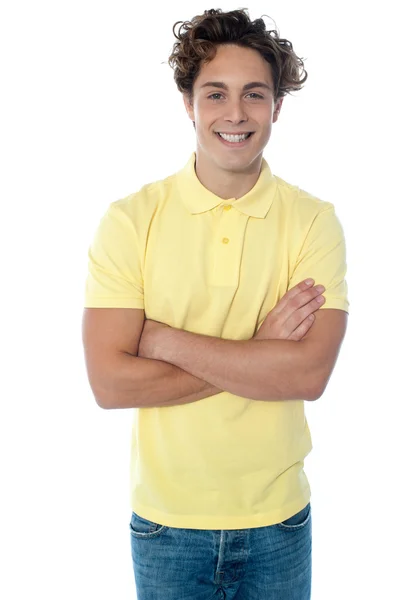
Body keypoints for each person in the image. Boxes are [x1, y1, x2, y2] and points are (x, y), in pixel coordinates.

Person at [82, 8, 349, 600]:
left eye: (254, 94)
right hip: (166, 524)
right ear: (188, 103)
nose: (235, 114)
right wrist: (259, 356)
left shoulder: (313, 222)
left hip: (279, 519)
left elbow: (307, 373)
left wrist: (162, 338)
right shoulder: (130, 221)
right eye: (216, 93)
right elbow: (109, 384)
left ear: (277, 105)